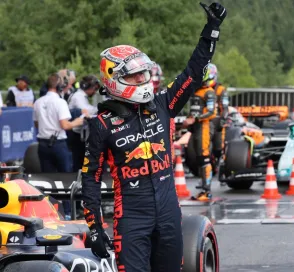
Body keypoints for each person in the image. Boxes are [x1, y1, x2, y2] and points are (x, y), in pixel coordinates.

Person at [81, 3, 226, 271]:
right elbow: (90, 179)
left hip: (170, 214)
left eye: (143, 73)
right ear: (114, 79)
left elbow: (193, 73)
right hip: (132, 218)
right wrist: (95, 227)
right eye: (133, 75)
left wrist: (211, 30)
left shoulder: (163, 104)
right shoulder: (102, 124)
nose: (142, 79)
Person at [33, 74, 84, 219]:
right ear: (60, 87)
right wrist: (79, 121)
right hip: (58, 144)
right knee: (66, 179)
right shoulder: (60, 102)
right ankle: (67, 213)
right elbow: (65, 125)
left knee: (48, 180)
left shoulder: (38, 101)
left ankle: (50, 212)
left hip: (43, 144)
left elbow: (36, 124)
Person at [187, 64, 219, 201]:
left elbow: (212, 112)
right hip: (196, 127)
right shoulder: (196, 91)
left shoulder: (209, 92)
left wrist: (197, 119)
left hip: (204, 127)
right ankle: (203, 187)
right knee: (199, 158)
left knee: (204, 158)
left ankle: (207, 191)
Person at [67, 75, 101, 171]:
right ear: (87, 87)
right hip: (74, 132)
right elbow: (87, 111)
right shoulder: (78, 97)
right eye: (94, 89)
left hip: (78, 132)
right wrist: (101, 108)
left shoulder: (81, 96)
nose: (95, 92)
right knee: (77, 159)